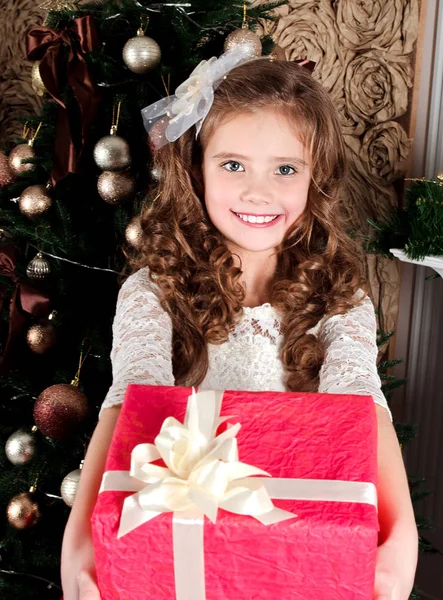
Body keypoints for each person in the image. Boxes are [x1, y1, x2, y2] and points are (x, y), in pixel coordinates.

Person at [61, 50, 418, 600]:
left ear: (314, 177)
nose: (260, 192)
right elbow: (128, 401)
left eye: (285, 168)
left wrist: (401, 535)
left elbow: (364, 406)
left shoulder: (340, 303)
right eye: (233, 165)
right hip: (177, 557)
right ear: (195, 169)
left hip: (296, 560)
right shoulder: (153, 292)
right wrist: (81, 534)